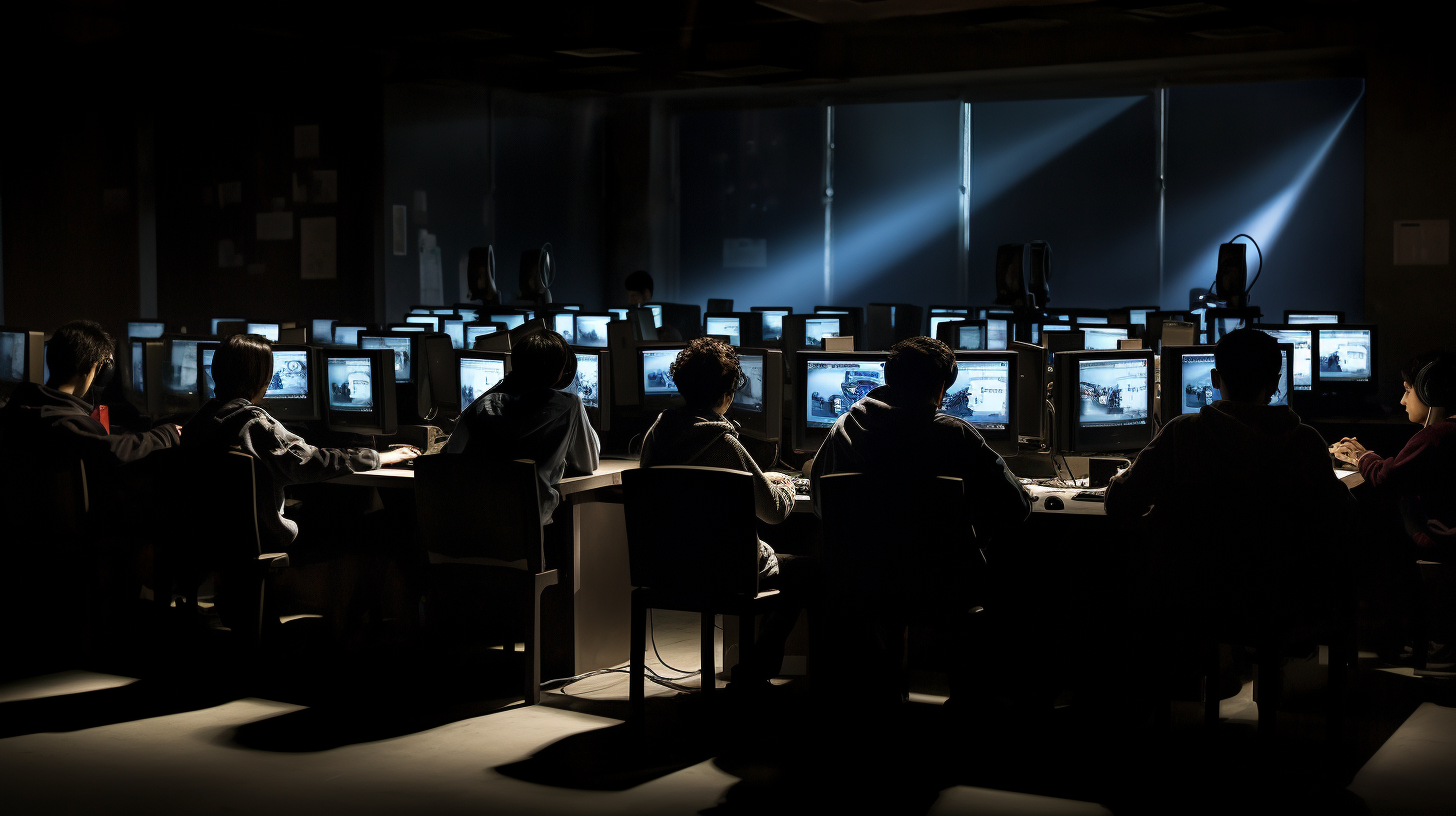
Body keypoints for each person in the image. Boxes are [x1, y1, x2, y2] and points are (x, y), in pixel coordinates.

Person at [1105, 329, 1353, 688]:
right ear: (1276, 382)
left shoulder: (1181, 435)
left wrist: (1122, 475)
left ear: (1215, 379)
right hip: (1282, 600)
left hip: (1194, 597)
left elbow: (1120, 504)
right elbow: (1341, 518)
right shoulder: (1306, 443)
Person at [639, 338, 803, 682]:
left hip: (667, 566)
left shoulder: (656, 433)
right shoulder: (724, 443)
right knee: (809, 574)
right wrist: (785, 487)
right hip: (724, 571)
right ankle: (754, 676)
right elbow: (773, 511)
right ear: (728, 393)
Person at [183, 334, 417, 549]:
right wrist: (379, 457)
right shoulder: (255, 424)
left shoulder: (198, 423)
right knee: (380, 526)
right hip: (261, 537)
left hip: (208, 539)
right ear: (262, 379)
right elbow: (311, 462)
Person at [809, 336, 1030, 535]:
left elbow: (820, 506)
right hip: (940, 577)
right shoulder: (955, 435)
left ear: (889, 377)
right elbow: (1016, 507)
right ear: (943, 387)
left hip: (859, 576)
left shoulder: (844, 426)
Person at [446, 329, 599, 524]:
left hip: (473, 521)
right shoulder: (569, 406)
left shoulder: (483, 405)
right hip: (528, 524)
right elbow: (588, 463)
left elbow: (449, 456)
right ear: (560, 373)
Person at [0, 320, 180, 474]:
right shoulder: (71, 424)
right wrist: (166, 434)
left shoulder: (17, 405)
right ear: (95, 369)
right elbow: (111, 449)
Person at [1332, 352, 1456, 557]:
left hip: (1437, 540)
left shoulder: (1435, 436)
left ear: (1430, 392)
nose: (1402, 401)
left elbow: (1386, 478)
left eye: (1407, 391)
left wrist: (1359, 457)